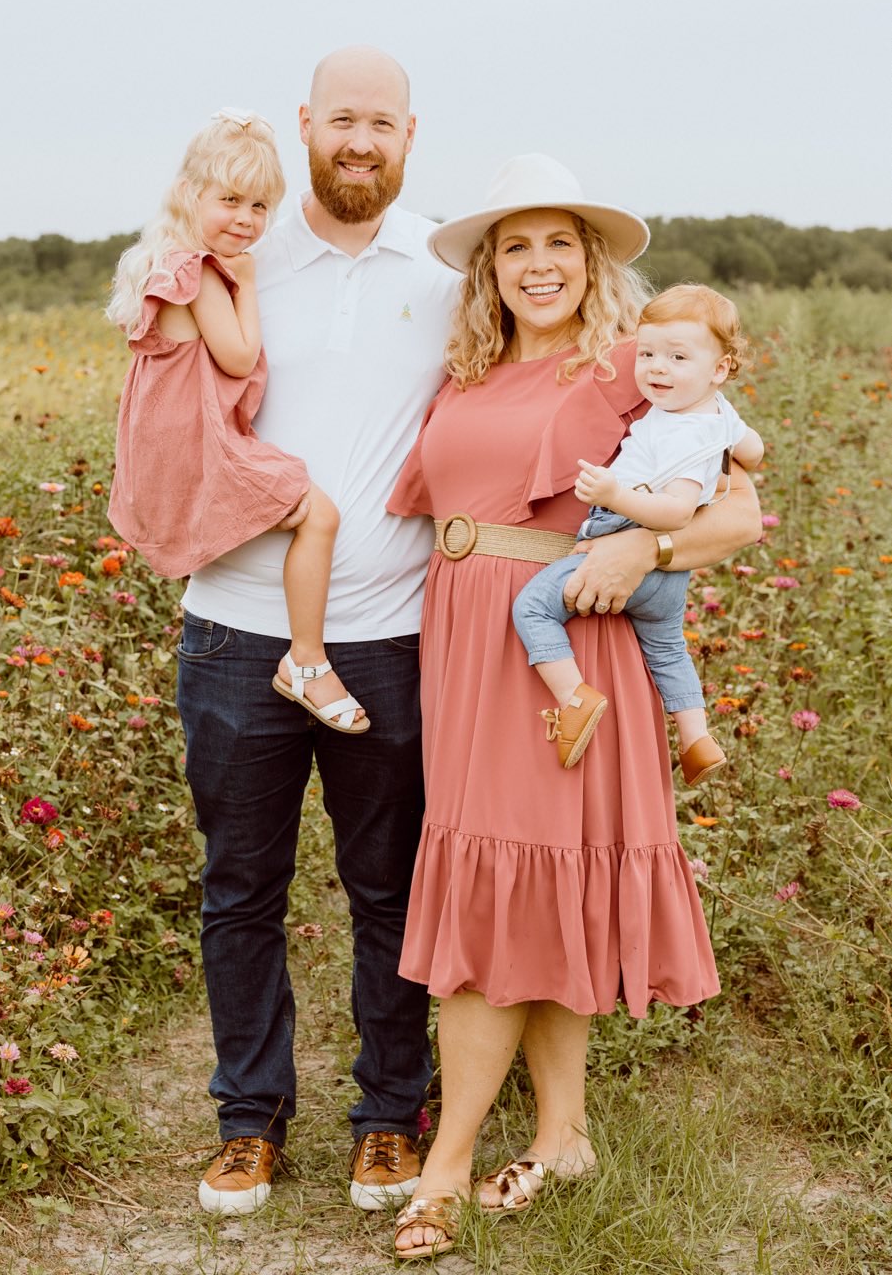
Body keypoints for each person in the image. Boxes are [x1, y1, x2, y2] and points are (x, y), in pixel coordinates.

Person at [385, 154, 762, 1259]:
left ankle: (446, 1163)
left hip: (568, 646)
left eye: (559, 243)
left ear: (589, 261)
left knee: (509, 883)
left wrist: (646, 539)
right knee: (520, 879)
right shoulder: (466, 373)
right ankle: (564, 1133)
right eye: (516, 246)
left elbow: (740, 507)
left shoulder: (622, 371)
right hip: (466, 640)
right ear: (488, 270)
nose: (538, 264)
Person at [173, 49, 461, 1215]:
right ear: (304, 124)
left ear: (407, 135)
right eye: (341, 117)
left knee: (388, 885)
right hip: (235, 629)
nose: (359, 139)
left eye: (380, 123)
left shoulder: (446, 268)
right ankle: (250, 1118)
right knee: (241, 884)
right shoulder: (236, 252)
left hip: (390, 633)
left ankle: (392, 1114)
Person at [106, 108, 368, 733]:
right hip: (200, 445)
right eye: (230, 201)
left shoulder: (163, 261)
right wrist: (246, 283)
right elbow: (238, 355)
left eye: (259, 208)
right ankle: (305, 661)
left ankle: (298, 656)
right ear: (191, 193)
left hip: (173, 444)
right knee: (321, 517)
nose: (246, 221)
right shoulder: (195, 275)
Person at [512, 282, 764, 785]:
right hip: (672, 577)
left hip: (631, 536)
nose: (656, 368)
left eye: (676, 357)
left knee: (533, 608)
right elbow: (752, 451)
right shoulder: (717, 414)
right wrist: (733, 449)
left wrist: (612, 494)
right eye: (646, 353)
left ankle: (573, 699)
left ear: (719, 369)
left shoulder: (679, 431)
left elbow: (672, 513)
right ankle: (696, 738)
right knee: (668, 648)